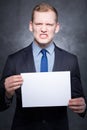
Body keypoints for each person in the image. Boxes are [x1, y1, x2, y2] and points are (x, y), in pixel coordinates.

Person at [0, 2, 86, 130]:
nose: (43, 29)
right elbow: (1, 105)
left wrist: (82, 107)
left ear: (56, 28)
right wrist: (6, 92)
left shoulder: (71, 60)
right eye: (39, 24)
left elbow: (79, 99)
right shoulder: (14, 60)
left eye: (49, 24)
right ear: (31, 26)